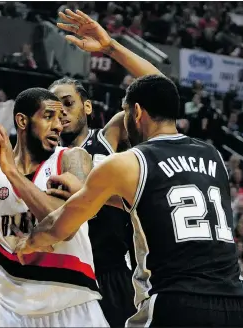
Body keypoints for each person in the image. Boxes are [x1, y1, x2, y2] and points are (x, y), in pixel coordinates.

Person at [15, 74, 243, 327]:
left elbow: (60, 226)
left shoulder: (127, 161)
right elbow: (155, 200)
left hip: (176, 301)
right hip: (239, 304)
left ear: (137, 112)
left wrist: (29, 242)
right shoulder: (214, 156)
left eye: (125, 111)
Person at [0, 88, 108, 326]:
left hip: (71, 303)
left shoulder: (72, 159)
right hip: (10, 313)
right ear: (22, 120)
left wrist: (12, 172)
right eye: (48, 116)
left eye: (60, 118)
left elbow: (63, 225)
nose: (58, 125)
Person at [46, 8, 162, 325]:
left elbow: (158, 88)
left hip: (112, 271)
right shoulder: (45, 157)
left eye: (68, 104)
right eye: (53, 110)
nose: (61, 114)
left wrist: (110, 47)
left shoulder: (109, 137)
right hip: (65, 273)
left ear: (87, 106)